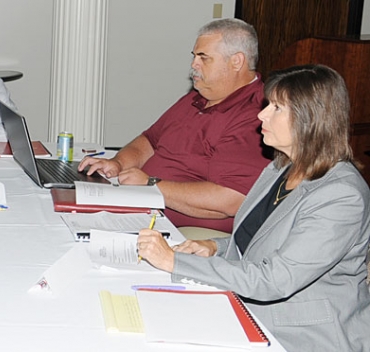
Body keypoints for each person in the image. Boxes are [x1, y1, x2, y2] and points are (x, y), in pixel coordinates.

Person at [138, 65, 370, 351]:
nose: (261, 114)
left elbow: (275, 279)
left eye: (276, 108)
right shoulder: (279, 168)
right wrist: (214, 247)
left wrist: (175, 262)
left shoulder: (341, 196)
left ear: (310, 119)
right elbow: (263, 244)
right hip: (251, 309)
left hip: (302, 335)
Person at [79, 19, 270, 233]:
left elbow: (230, 199)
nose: (194, 65)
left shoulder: (255, 115)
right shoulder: (196, 98)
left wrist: (152, 184)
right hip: (145, 209)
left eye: (203, 58)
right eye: (194, 56)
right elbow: (150, 140)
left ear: (236, 61)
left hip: (188, 232)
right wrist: (118, 163)